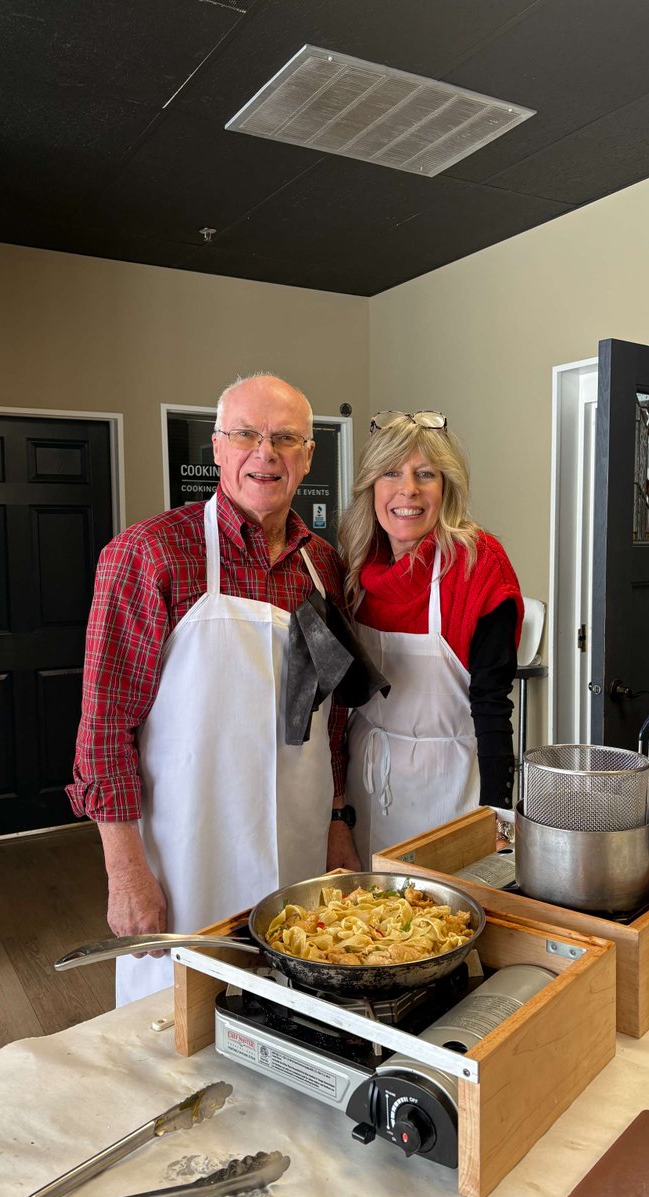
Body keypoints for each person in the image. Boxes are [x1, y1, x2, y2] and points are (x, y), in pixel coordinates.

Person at [67, 373, 361, 1006]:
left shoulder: (325, 566)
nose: (266, 453)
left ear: (308, 457)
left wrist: (338, 822)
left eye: (286, 438)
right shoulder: (148, 555)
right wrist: (125, 872)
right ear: (218, 447)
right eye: (246, 435)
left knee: (293, 1008)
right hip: (188, 852)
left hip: (300, 839)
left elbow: (333, 719)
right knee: (174, 1022)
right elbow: (103, 726)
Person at [339, 410, 523, 866]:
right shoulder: (354, 567)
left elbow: (493, 702)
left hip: (451, 787)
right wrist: (334, 808)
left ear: (447, 488)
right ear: (371, 488)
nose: (408, 490)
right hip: (368, 783)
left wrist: (498, 818)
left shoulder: (478, 565)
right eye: (391, 473)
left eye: (426, 475)